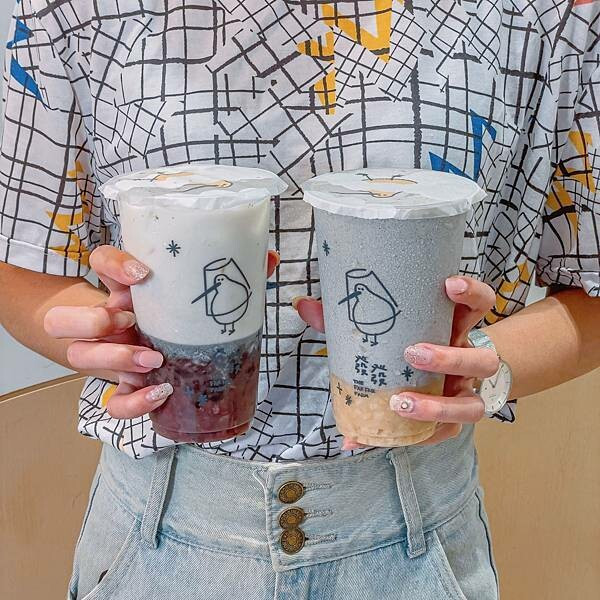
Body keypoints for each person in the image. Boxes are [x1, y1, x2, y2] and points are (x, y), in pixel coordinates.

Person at [0, 1, 598, 598]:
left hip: (419, 528)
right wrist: (113, 339)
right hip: (159, 525)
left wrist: (480, 369)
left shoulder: (547, 14)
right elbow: (21, 257)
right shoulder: (71, 11)